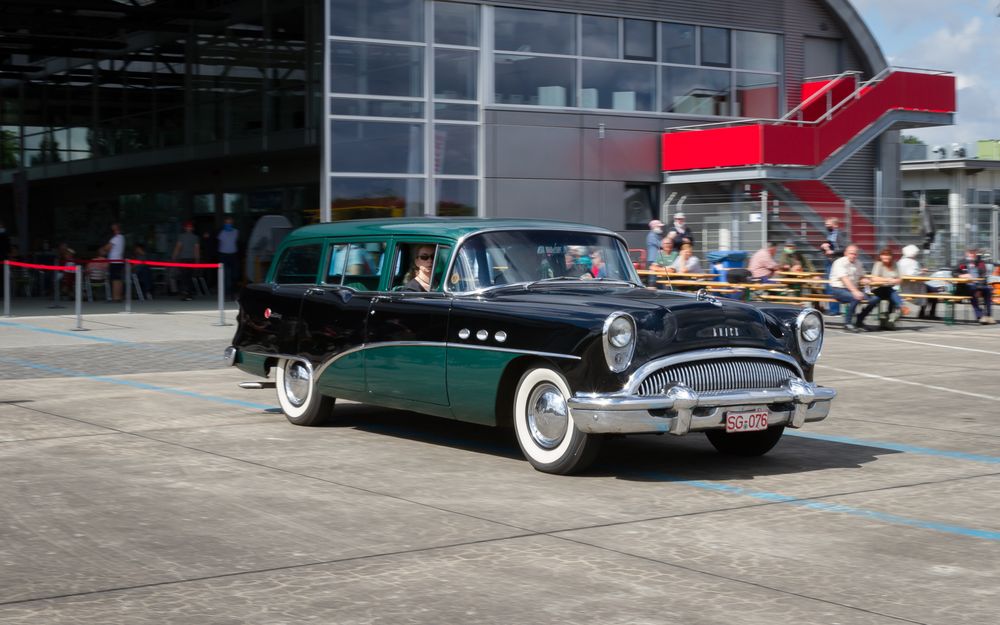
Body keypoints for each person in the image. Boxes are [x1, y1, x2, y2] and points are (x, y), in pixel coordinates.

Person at [828, 244, 877, 332]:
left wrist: (865, 280)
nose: (853, 255)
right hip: (838, 289)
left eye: (855, 254)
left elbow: (861, 276)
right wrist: (855, 291)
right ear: (846, 253)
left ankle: (860, 320)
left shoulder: (858, 263)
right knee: (855, 297)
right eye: (851, 253)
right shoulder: (839, 262)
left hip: (853, 289)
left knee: (875, 299)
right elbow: (844, 279)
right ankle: (848, 323)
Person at [859, 247, 907, 328]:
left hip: (889, 290)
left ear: (891, 256)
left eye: (887, 256)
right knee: (877, 298)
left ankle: (887, 321)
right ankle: (901, 307)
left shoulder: (895, 264)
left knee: (891, 293)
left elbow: (900, 278)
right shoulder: (878, 264)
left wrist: (896, 281)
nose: (886, 258)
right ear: (881, 256)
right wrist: (888, 280)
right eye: (884, 256)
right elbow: (874, 278)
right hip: (877, 289)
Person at [954, 248, 995, 324]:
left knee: (988, 290)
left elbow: (983, 276)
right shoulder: (962, 262)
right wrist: (961, 275)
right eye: (970, 253)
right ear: (967, 253)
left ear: (976, 253)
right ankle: (980, 315)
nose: (972, 255)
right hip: (965, 286)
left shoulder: (980, 263)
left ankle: (989, 315)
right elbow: (953, 273)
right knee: (972, 290)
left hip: (978, 285)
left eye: (974, 253)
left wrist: (979, 288)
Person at [897, 244, 937, 319]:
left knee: (930, 291)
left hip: (904, 287)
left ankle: (923, 312)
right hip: (915, 287)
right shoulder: (913, 262)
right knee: (934, 293)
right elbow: (913, 274)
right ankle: (927, 313)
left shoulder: (900, 262)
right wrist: (922, 271)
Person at [820, 218, 848, 315]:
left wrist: (833, 252)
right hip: (829, 261)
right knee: (829, 285)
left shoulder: (839, 234)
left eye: (828, 224)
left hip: (835, 262)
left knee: (834, 285)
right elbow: (827, 248)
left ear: (835, 225)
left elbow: (844, 248)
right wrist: (823, 247)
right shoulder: (830, 235)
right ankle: (832, 308)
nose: (826, 226)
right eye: (826, 224)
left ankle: (834, 310)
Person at [171, 220, 200, 301]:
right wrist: (197, 260)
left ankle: (184, 294)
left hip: (183, 259)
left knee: (183, 277)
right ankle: (189, 294)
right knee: (189, 277)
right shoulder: (195, 237)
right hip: (191, 259)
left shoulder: (181, 236)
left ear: (185, 228)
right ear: (192, 228)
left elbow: (178, 247)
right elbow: (196, 249)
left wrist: (174, 257)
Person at [217, 217, 240, 299]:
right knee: (226, 275)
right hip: (224, 255)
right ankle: (227, 294)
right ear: (224, 224)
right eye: (227, 223)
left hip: (233, 255)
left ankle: (233, 292)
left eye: (229, 223)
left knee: (235, 275)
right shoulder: (221, 232)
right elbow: (218, 242)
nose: (228, 224)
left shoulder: (236, 232)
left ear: (232, 223)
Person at [105, 223, 125, 302]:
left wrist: (102, 250)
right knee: (118, 279)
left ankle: (115, 297)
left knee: (115, 280)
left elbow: (107, 248)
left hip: (114, 261)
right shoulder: (122, 238)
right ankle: (119, 297)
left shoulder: (115, 238)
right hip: (119, 260)